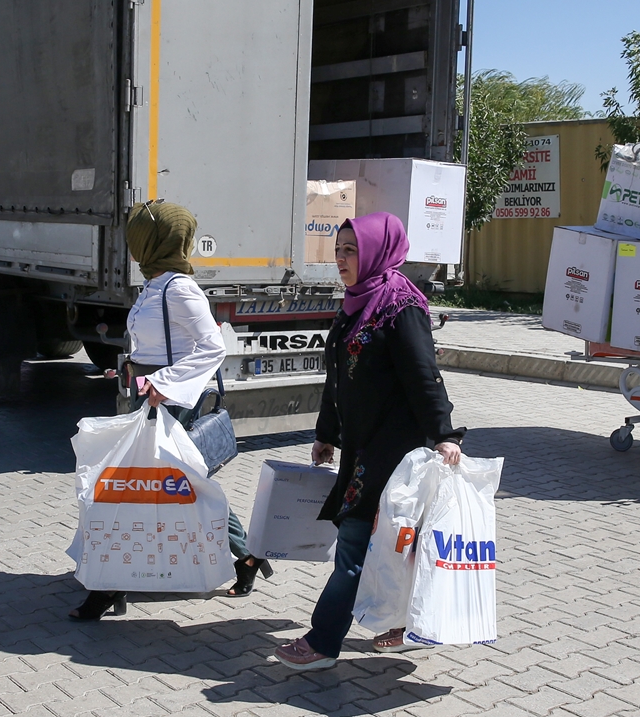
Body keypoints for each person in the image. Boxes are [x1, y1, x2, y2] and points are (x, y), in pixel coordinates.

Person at [274, 212, 464, 670]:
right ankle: (403, 623)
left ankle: (322, 642)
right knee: (392, 544)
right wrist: (326, 434)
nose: (340, 259)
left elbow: (424, 378)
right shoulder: (358, 302)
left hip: (392, 451)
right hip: (361, 446)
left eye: (350, 250)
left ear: (377, 251)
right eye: (338, 250)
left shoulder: (402, 307)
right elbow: (336, 376)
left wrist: (444, 436)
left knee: (356, 544)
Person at [69, 200, 271, 620]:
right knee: (187, 486)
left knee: (132, 487)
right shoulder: (156, 284)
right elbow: (160, 343)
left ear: (153, 241)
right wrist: (133, 366)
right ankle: (247, 557)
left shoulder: (179, 288)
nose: (130, 244)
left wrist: (164, 383)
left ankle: (111, 585)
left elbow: (213, 347)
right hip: (150, 397)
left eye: (136, 236)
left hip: (171, 404)